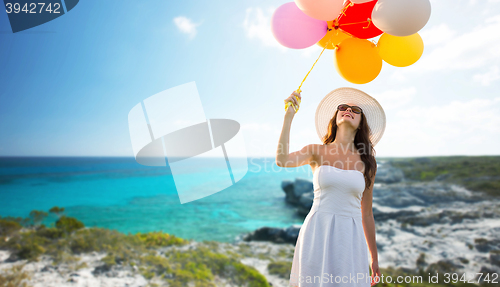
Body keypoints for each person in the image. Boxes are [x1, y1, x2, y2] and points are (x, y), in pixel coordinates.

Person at [276, 87, 386, 286]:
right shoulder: (316, 151)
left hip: (351, 238)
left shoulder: (368, 163)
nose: (348, 110)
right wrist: (289, 117)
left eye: (355, 110)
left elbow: (367, 214)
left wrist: (374, 257)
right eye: (343, 107)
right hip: (317, 231)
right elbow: (282, 160)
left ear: (361, 123)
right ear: (335, 117)